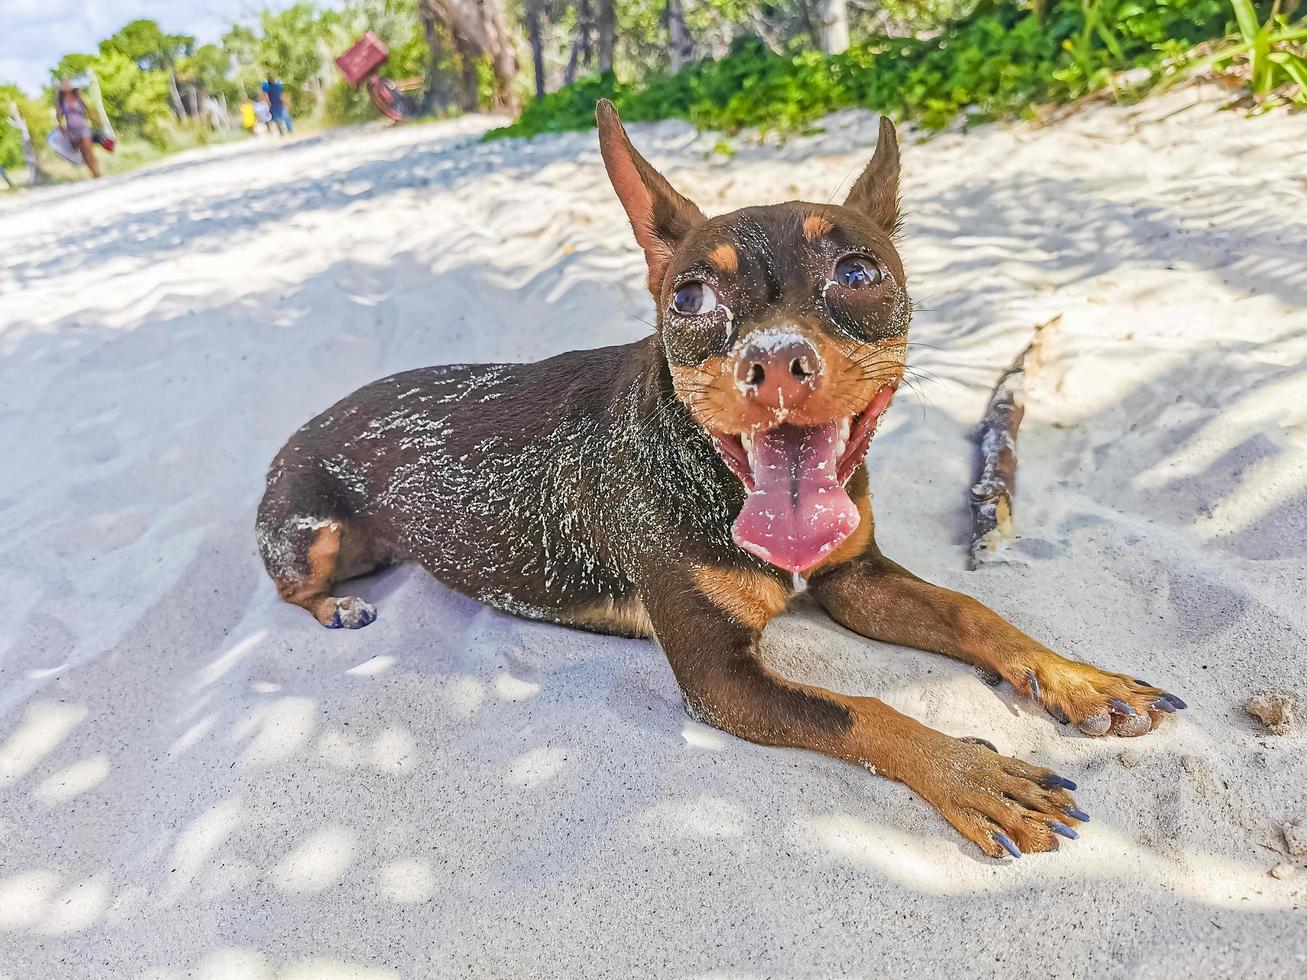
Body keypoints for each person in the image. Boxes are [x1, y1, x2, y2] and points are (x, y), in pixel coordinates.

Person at [54, 77, 100, 178]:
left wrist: (96, 119)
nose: (67, 90)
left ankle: (97, 171)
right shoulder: (60, 103)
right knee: (83, 153)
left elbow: (87, 110)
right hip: (72, 130)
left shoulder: (78, 98)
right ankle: (94, 173)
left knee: (88, 149)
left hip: (83, 127)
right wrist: (62, 129)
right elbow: (58, 118)